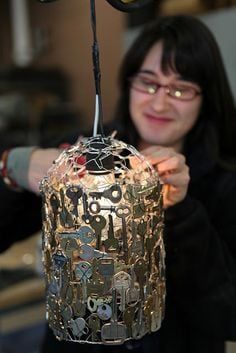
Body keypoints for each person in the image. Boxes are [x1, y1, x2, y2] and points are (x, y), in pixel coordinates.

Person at [0, 14, 236, 353]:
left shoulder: (224, 182)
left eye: (181, 89)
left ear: (206, 96)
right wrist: (13, 168)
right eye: (149, 82)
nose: (159, 102)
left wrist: (182, 213)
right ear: (128, 83)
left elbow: (228, 316)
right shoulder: (79, 158)